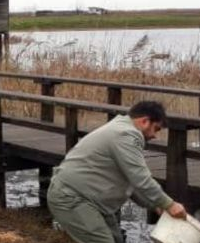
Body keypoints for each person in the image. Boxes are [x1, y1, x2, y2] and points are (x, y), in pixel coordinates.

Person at [48, 101, 187, 243]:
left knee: (116, 239)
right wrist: (169, 204)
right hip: (72, 197)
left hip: (89, 199)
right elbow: (141, 179)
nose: (154, 136)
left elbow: (132, 182)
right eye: (156, 129)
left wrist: (155, 205)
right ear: (145, 121)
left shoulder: (121, 129)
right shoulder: (126, 135)